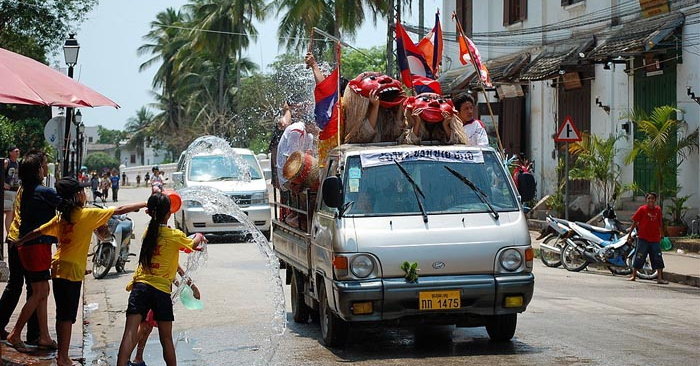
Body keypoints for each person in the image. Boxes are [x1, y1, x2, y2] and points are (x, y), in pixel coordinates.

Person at [12, 177, 147, 366]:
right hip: (72, 272)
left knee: (62, 314)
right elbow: (119, 210)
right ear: (77, 195)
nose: (85, 193)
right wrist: (147, 202)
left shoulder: (61, 217)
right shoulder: (86, 214)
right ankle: (63, 358)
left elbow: (39, 231)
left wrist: (20, 241)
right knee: (67, 317)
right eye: (82, 191)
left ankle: (62, 355)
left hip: (58, 268)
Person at [116, 193, 206, 366]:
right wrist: (200, 235)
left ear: (150, 213)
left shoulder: (148, 232)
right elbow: (192, 244)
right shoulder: (173, 235)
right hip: (161, 292)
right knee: (166, 338)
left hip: (140, 287)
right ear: (169, 214)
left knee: (129, 332)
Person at [5, 151, 61, 352]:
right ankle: (17, 332)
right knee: (35, 290)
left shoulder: (26, 188)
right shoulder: (40, 190)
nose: (46, 168)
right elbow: (62, 203)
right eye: (44, 164)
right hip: (30, 244)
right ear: (37, 169)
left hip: (25, 243)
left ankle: (41, 335)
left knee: (39, 290)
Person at [130, 267, 201, 366]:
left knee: (147, 326)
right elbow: (177, 271)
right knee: (146, 327)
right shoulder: (164, 253)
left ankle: (138, 358)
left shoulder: (166, 255)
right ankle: (127, 358)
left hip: (155, 291)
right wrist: (192, 287)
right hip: (154, 292)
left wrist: (187, 287)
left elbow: (175, 271)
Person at [627, 192, 668, 284]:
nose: (651, 200)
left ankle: (660, 278)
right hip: (643, 238)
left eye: (652, 198)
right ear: (646, 200)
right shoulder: (642, 209)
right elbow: (634, 222)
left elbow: (660, 223)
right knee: (639, 256)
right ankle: (633, 275)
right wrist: (629, 235)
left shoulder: (658, 210)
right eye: (649, 198)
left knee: (658, 257)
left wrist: (662, 235)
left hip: (655, 239)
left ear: (655, 200)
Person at [4, 146, 21, 235]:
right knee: (9, 213)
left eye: (18, 151)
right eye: (16, 151)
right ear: (10, 153)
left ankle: (11, 234)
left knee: (14, 214)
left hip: (15, 191)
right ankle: (8, 235)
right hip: (7, 192)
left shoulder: (18, 163)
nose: (18, 152)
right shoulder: (7, 162)